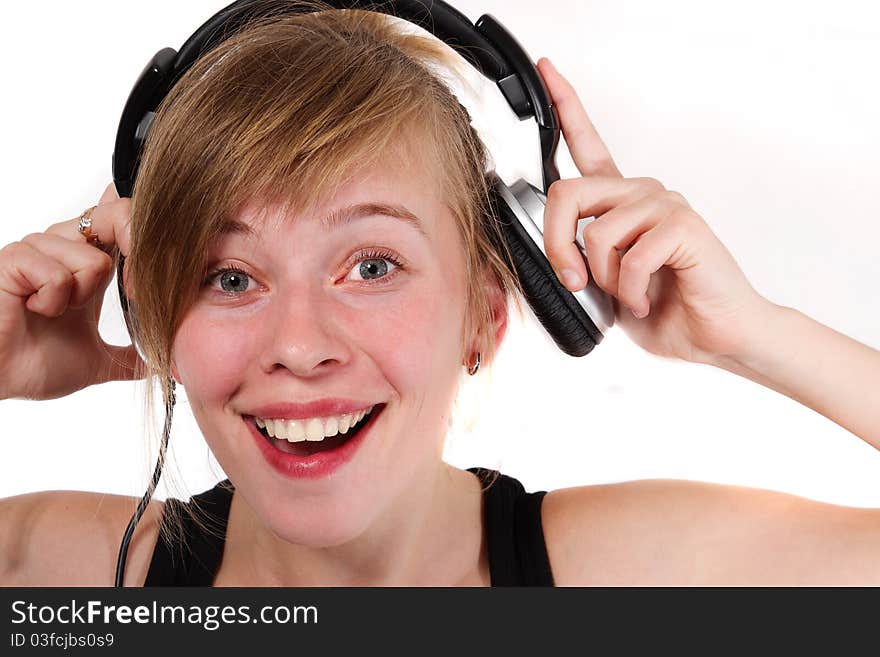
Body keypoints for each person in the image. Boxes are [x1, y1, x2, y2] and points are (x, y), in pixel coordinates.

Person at [1, 5, 879, 586]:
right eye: (231, 277)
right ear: (153, 318)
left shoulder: (626, 572)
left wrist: (753, 333)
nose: (299, 345)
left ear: (487, 315)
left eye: (372, 265)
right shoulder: (66, 580)